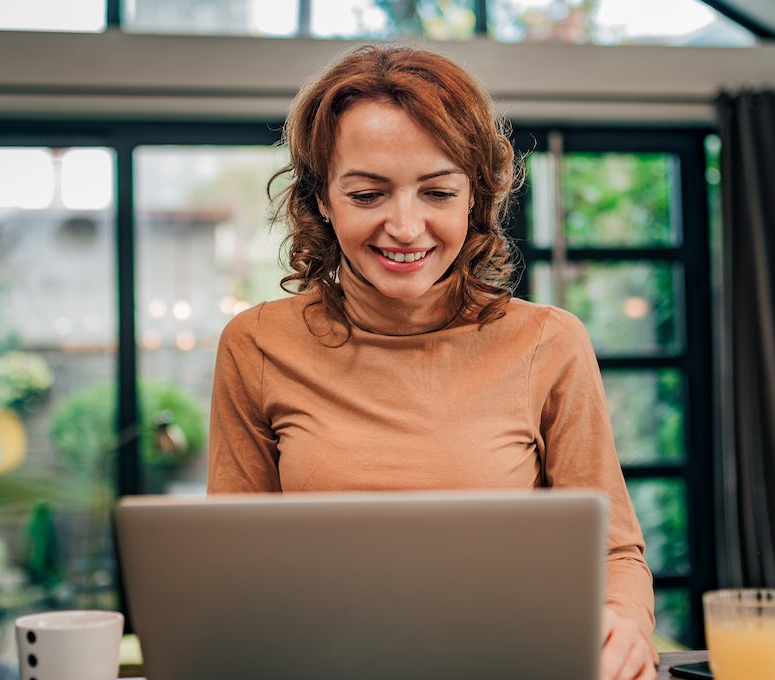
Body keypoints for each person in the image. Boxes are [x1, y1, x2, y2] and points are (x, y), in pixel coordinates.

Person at [207, 44, 658, 680]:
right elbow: (230, 567)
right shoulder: (256, 345)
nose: (406, 226)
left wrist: (625, 625)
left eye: (437, 191)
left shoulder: (548, 343)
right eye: (368, 194)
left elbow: (614, 554)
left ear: (474, 197)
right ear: (321, 202)